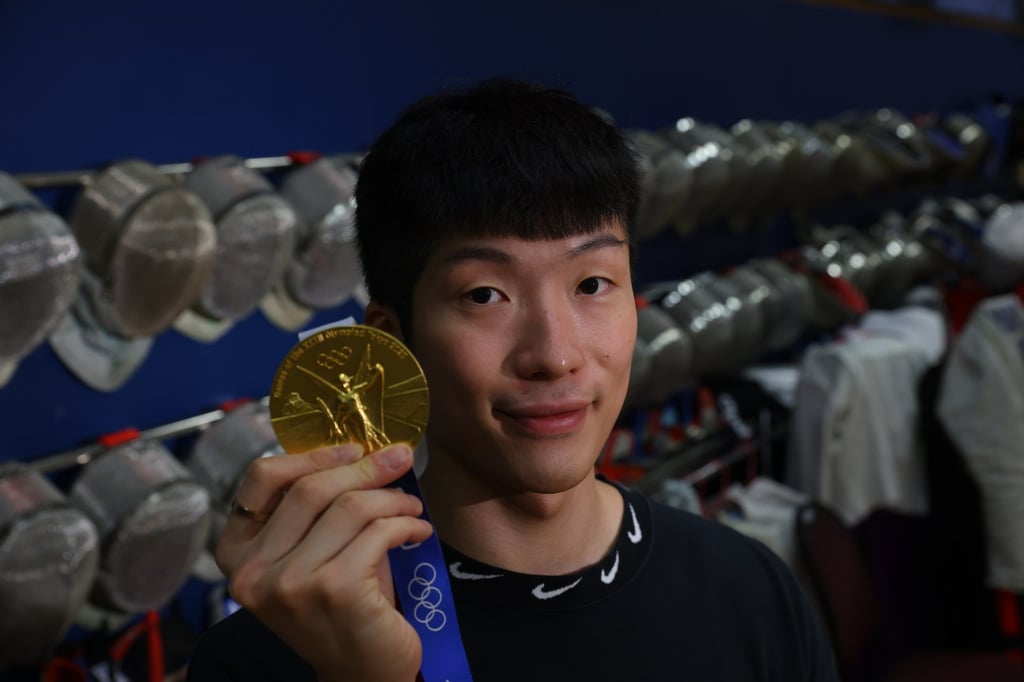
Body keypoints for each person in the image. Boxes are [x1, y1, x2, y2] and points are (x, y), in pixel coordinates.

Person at [186, 78, 839, 681]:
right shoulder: (267, 658)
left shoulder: (748, 588)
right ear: (390, 341)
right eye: (484, 295)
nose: (555, 355)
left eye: (591, 283)